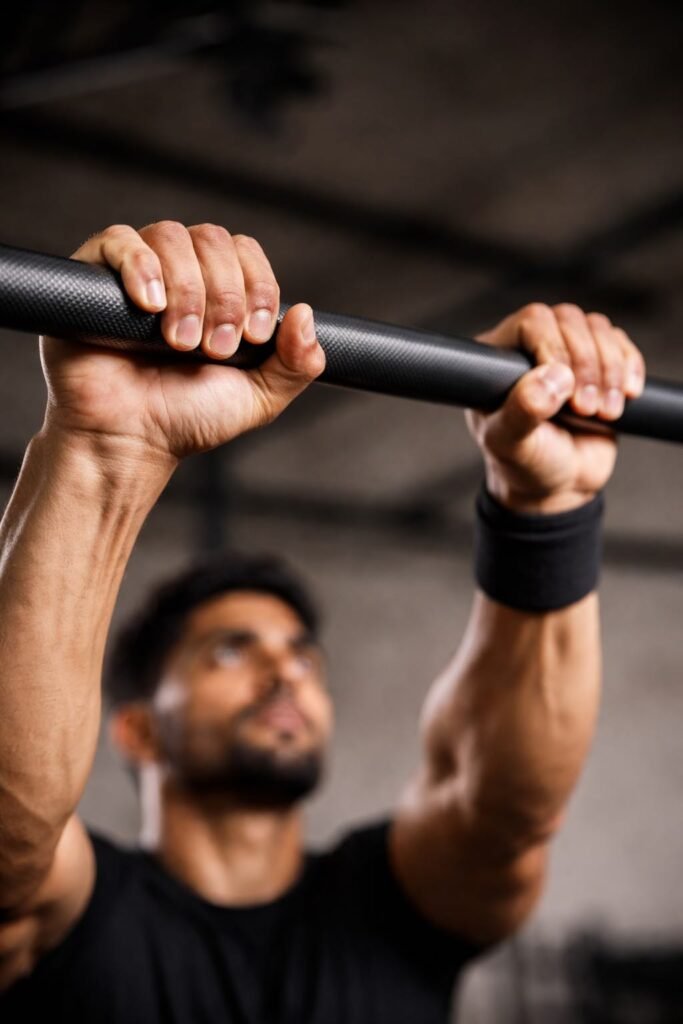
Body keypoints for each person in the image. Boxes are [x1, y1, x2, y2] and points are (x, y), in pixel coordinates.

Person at [0, 222, 645, 1022]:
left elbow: (505, 811)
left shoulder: (392, 907)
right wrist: (103, 449)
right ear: (137, 729)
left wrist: (544, 510)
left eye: (304, 657)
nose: (286, 673)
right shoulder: (72, 919)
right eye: (229, 651)